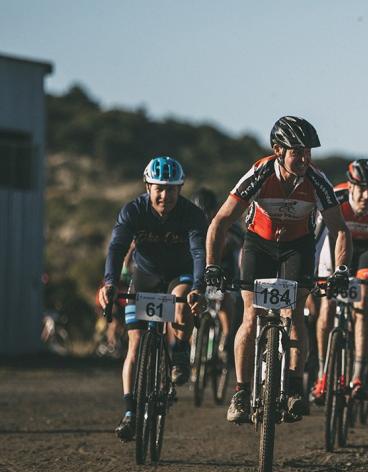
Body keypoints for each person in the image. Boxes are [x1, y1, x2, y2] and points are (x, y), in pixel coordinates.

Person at [204, 116, 352, 424]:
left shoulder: (316, 179)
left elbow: (340, 229)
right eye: (297, 152)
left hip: (298, 246)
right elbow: (220, 222)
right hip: (258, 244)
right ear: (278, 151)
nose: (304, 158)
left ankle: (295, 387)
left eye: (308, 151)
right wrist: (211, 266)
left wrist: (341, 269)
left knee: (294, 313)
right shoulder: (259, 173)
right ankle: (242, 392)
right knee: (250, 315)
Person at [97, 156, 207, 441]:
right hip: (145, 275)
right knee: (134, 345)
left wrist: (198, 286)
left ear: (180, 190)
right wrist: (109, 283)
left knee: (181, 298)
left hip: (179, 275)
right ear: (147, 186)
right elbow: (117, 248)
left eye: (171, 189)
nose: (164, 195)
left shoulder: (192, 214)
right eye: (158, 188)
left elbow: (198, 253)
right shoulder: (133, 211)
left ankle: (180, 353)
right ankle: (130, 412)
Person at [311, 158, 368, 401]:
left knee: (363, 303)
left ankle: (359, 375)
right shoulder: (335, 197)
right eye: (361, 188)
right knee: (327, 307)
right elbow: (317, 242)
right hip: (336, 251)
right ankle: (322, 375)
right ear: (350, 186)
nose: (366, 195)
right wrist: (315, 275)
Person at [190, 187, 244, 363]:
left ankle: (226, 339)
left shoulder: (230, 226)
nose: (206, 218)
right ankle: (190, 342)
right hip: (197, 270)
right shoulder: (189, 226)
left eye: (209, 213)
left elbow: (246, 245)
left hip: (224, 270)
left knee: (224, 297)